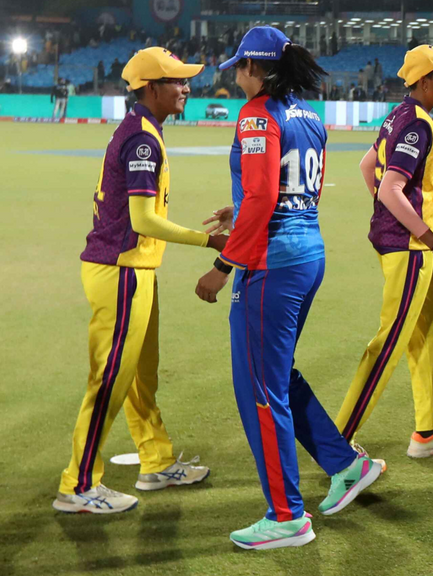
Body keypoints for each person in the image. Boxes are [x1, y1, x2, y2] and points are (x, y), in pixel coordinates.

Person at [195, 26, 381, 551]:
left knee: (259, 389)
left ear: (255, 67)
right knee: (277, 377)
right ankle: (346, 464)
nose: (235, 75)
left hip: (270, 265)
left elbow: (263, 197)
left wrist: (223, 265)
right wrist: (241, 204)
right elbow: (296, 190)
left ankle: (287, 517)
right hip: (306, 254)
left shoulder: (257, 115)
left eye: (239, 66)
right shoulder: (309, 116)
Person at [52, 47, 218, 515]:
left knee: (140, 378)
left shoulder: (144, 130)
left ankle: (156, 462)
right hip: (121, 271)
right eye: (176, 81)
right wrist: (210, 242)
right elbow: (142, 219)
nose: (186, 88)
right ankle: (78, 485)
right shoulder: (143, 139)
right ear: (150, 88)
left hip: (133, 269)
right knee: (110, 381)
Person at [335, 45, 433, 466]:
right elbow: (391, 187)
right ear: (425, 81)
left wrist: (393, 220)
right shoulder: (417, 123)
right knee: (390, 342)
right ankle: (335, 443)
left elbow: (368, 167)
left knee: (426, 332)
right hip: (411, 249)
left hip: (406, 244)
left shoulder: (398, 115)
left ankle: (427, 432)